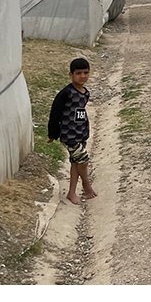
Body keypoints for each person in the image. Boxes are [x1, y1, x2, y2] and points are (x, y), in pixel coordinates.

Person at [48, 57, 97, 205]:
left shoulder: (85, 93)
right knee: (83, 160)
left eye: (85, 72)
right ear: (71, 75)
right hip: (69, 136)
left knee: (76, 163)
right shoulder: (66, 93)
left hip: (80, 134)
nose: (82, 76)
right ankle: (87, 186)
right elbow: (55, 112)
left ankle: (71, 192)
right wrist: (53, 133)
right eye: (78, 73)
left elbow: (80, 113)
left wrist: (85, 131)